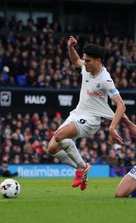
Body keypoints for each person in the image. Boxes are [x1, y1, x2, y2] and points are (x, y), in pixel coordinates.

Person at [47, 36, 126, 191]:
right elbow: (76, 61)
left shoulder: (105, 79)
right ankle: (83, 167)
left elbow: (121, 105)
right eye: (85, 60)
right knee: (52, 148)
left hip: (91, 120)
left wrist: (112, 127)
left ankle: (81, 168)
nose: (85, 63)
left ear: (98, 60)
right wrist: (71, 47)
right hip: (77, 113)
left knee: (59, 135)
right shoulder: (86, 67)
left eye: (88, 60)